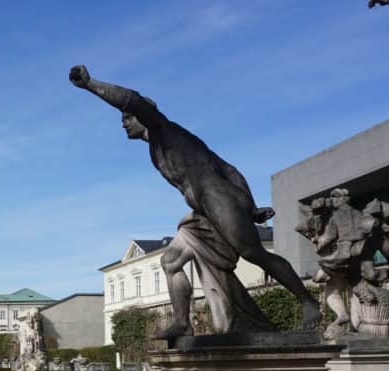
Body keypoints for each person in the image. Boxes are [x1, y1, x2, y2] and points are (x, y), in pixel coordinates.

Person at [69, 64, 321, 338]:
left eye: (128, 117)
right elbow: (227, 168)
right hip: (202, 207)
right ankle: (182, 323)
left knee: (254, 254)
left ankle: (308, 301)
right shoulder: (157, 149)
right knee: (170, 261)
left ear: (145, 115)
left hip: (216, 200)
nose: (123, 122)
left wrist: (90, 84)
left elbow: (133, 99)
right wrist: (250, 204)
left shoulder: (164, 130)